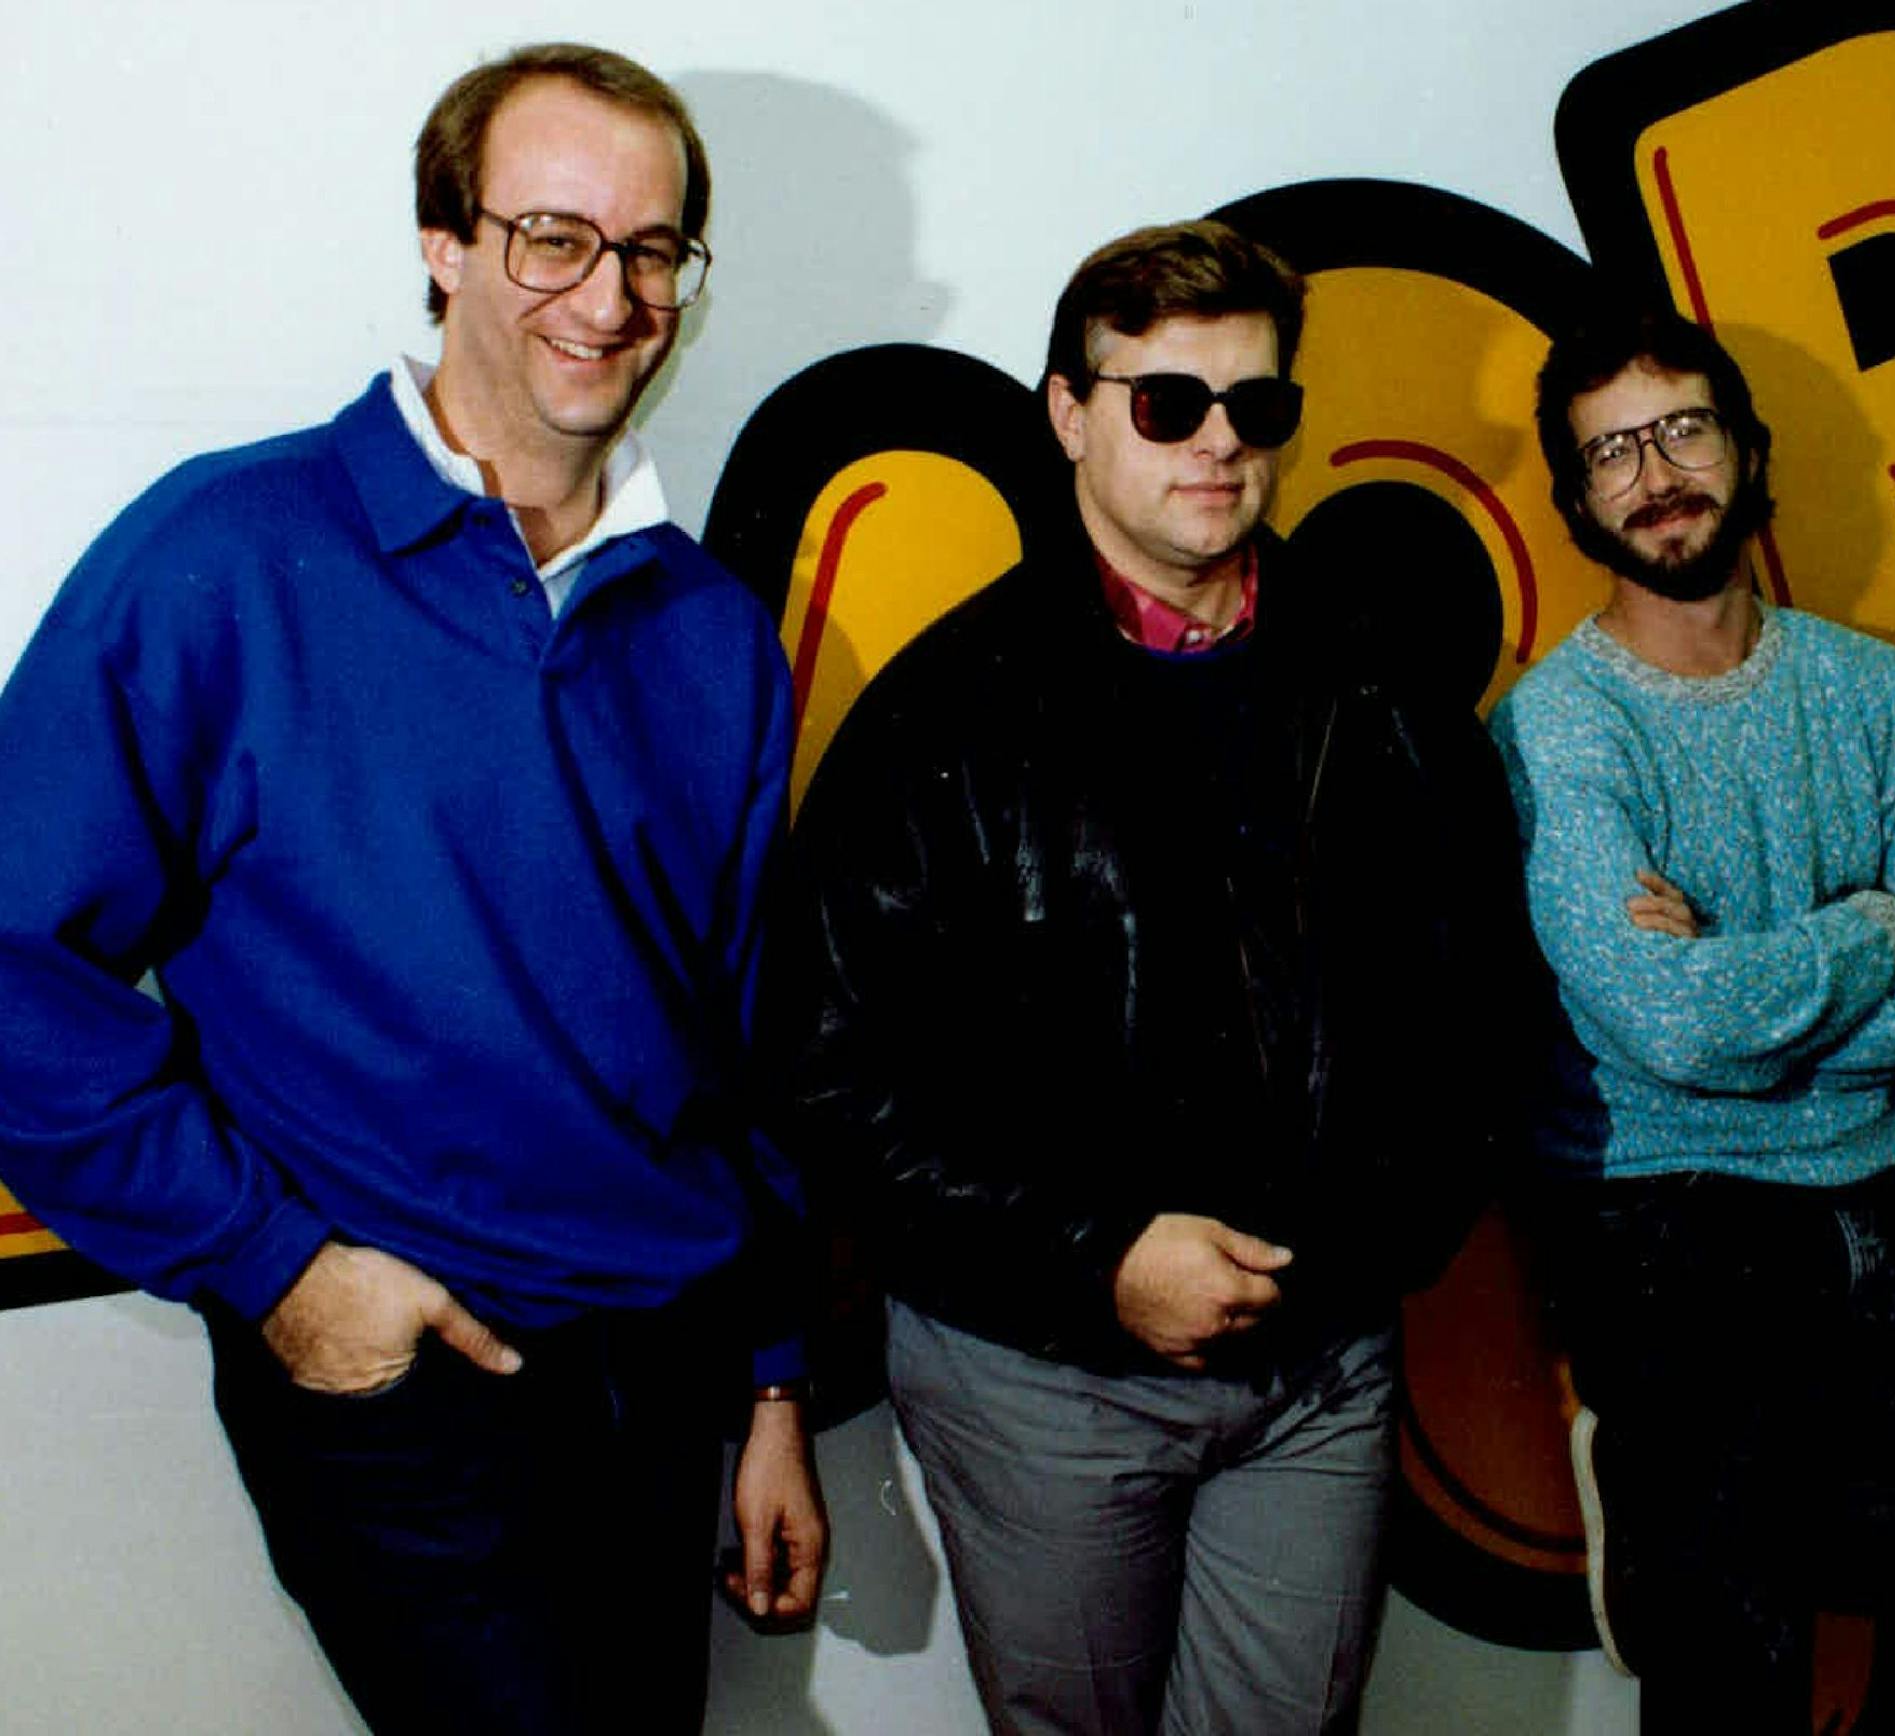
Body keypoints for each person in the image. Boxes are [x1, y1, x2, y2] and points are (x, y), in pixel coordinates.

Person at [0, 43, 824, 1735]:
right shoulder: (226, 557)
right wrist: (276, 1266)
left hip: (665, 1361)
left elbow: (744, 1046)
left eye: (652, 250)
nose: (610, 296)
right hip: (407, 1380)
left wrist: (769, 1377)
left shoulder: (713, 630)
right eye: (552, 236)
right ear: (444, 246)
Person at [761, 217, 1530, 1735]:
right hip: (1039, 1375)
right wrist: (1095, 1253)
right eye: (1167, 402)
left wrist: (1377, 1242)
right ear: (1070, 411)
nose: (1219, 444)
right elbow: (828, 1065)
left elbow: (1479, 999)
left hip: (1320, 1371)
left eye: (1259, 406)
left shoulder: (1378, 687)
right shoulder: (947, 712)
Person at [1490, 304, 1895, 1732]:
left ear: (1746, 447)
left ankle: (1700, 1508)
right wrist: (1874, 922)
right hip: (1661, 1204)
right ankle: (1700, 1522)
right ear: (1576, 495)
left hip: (1879, 1178)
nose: (1654, 473)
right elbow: (1669, 1032)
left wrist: (1747, 982)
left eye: (1681, 429)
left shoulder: (1871, 693)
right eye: (1611, 452)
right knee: (1741, 1674)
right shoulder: (1560, 731)